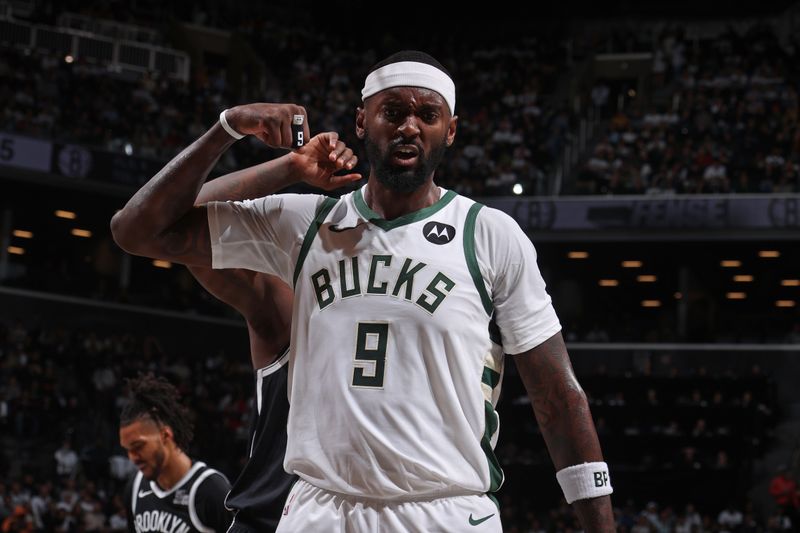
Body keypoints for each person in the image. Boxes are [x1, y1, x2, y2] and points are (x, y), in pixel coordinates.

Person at [111, 50, 615, 531]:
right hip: (317, 508)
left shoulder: (489, 234)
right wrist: (234, 133)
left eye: (428, 114)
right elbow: (140, 229)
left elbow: (557, 397)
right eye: (392, 111)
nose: (409, 126)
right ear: (360, 121)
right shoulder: (306, 222)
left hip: (444, 510)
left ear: (451, 131)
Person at [188, 131, 360, 532]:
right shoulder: (286, 308)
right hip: (268, 516)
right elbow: (189, 215)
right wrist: (290, 168)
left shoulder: (410, 338)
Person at [119, 373, 232, 532]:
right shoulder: (134, 487)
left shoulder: (212, 490)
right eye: (127, 450)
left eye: (138, 447)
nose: (132, 458)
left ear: (165, 435)